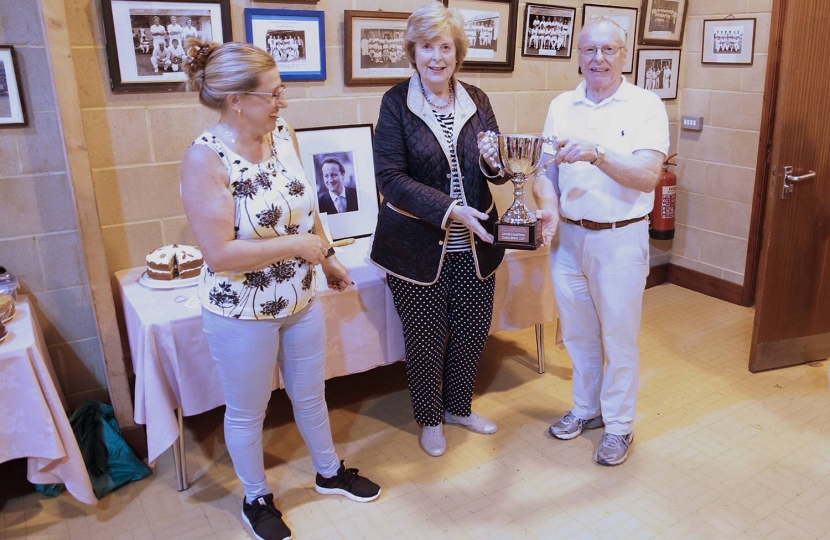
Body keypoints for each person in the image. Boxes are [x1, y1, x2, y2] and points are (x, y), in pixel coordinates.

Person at [181, 39, 381, 540]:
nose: (282, 102)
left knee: (311, 395)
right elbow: (220, 254)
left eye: (281, 90)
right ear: (236, 100)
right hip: (240, 310)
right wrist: (301, 244)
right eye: (272, 94)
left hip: (299, 296)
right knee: (248, 410)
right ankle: (256, 497)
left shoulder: (281, 132)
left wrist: (328, 256)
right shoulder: (204, 158)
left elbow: (307, 203)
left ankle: (329, 472)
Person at [371, 1, 508, 458]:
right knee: (427, 338)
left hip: (474, 246)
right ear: (413, 52)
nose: (436, 57)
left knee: (472, 330)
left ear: (457, 52)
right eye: (427, 46)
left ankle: (459, 407)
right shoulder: (396, 103)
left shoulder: (477, 98)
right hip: (416, 248)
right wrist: (449, 208)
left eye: (444, 47)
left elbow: (497, 171)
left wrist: (498, 162)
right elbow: (390, 180)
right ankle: (430, 419)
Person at [532, 17, 669, 466]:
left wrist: (598, 153)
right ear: (578, 55)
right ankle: (586, 410)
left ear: (624, 55)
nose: (598, 59)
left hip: (620, 242)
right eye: (589, 50)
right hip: (568, 239)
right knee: (577, 334)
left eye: (608, 50)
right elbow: (545, 172)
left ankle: (620, 426)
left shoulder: (645, 105)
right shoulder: (561, 104)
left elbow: (649, 176)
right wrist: (547, 208)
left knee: (619, 338)